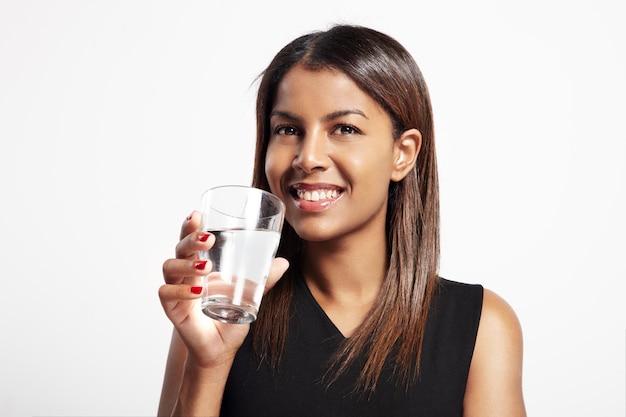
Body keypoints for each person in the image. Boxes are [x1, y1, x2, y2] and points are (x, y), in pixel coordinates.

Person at [157, 24, 526, 417]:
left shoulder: (481, 327)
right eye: (287, 129)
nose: (308, 157)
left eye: (345, 129)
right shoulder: (217, 310)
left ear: (403, 154)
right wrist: (208, 363)